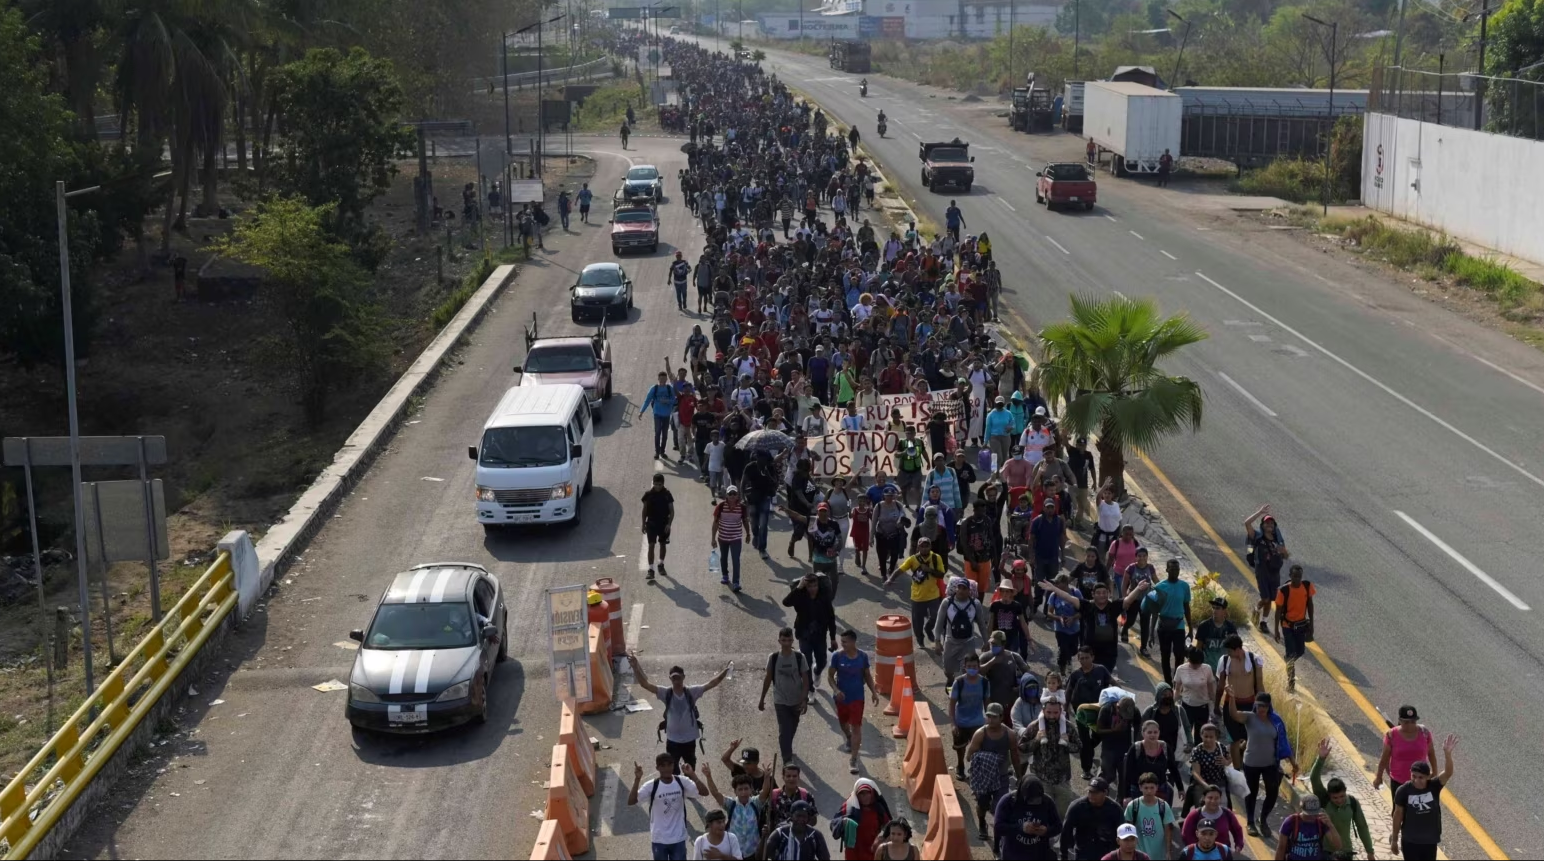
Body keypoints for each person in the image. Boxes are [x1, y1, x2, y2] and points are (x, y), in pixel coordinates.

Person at [627, 653, 730, 772]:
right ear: (670, 678)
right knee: (673, 773)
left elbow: (712, 683)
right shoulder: (665, 693)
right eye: (674, 678)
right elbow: (645, 684)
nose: (676, 680)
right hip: (672, 741)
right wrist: (635, 667)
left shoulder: (692, 692)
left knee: (690, 772)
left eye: (678, 677)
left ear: (683, 677)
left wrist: (725, 671)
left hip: (690, 740)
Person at [1223, 689, 1297, 838]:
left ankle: (1263, 820)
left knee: (1272, 791)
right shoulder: (1250, 718)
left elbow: (1283, 743)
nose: (1262, 709)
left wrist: (1293, 762)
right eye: (1259, 705)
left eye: (1265, 706)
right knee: (1252, 792)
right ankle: (1250, 822)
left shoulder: (1276, 721)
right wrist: (1231, 698)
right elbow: (1234, 714)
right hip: (1251, 763)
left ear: (1269, 706)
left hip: (1270, 763)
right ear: (1255, 705)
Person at [1039, 578, 1150, 675]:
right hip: (1090, 653)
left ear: (1108, 593)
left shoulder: (1114, 606)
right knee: (1090, 677)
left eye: (1104, 592)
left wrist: (1138, 588)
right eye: (1098, 593)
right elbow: (1068, 597)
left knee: (1103, 678)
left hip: (1109, 653)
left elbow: (1128, 600)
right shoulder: (1087, 606)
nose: (1101, 595)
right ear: (1093, 594)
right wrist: (1054, 589)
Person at [629, 752, 710, 861]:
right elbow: (631, 801)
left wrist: (692, 774)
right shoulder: (652, 785)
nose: (667, 768)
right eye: (663, 765)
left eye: (670, 764)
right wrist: (637, 779)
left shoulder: (682, 781)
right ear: (657, 768)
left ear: (674, 765)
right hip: (659, 839)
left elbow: (704, 792)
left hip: (679, 838)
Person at [1390, 734, 1458, 861]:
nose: (1416, 780)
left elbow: (1448, 773)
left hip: (1429, 841)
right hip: (1410, 841)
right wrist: (1394, 839)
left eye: (1420, 777)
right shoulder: (1403, 791)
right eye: (1413, 776)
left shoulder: (1434, 786)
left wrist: (1447, 754)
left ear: (1428, 777)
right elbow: (1397, 815)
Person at [1309, 739, 1376, 861]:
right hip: (1325, 851)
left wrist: (1369, 851)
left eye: (1342, 796)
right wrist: (1321, 759)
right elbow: (1314, 778)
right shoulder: (1323, 799)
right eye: (1335, 798)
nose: (1339, 800)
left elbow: (1362, 827)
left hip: (1345, 852)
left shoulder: (1353, 803)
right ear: (1329, 795)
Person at [966, 702, 1021, 839]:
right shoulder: (980, 734)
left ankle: (999, 836)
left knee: (1000, 806)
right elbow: (969, 757)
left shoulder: (1010, 735)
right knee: (982, 804)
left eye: (994, 717)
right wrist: (988, 758)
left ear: (1001, 717)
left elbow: (1015, 756)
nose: (990, 720)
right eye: (988, 717)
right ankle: (982, 823)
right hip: (983, 777)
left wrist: (1020, 776)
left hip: (1001, 776)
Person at [828, 629, 880, 775]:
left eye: (845, 642)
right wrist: (836, 690)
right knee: (843, 723)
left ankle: (853, 759)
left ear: (853, 642)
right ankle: (848, 737)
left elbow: (867, 675)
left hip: (857, 698)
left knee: (856, 726)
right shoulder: (837, 657)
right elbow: (830, 677)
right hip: (841, 699)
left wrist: (874, 693)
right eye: (841, 641)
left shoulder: (862, 657)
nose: (842, 644)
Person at [760, 626, 811, 763]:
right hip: (780, 701)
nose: (787, 643)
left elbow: (806, 681)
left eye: (789, 640)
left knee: (792, 727)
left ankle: (787, 747)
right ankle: (787, 760)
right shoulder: (774, 658)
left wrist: (804, 700)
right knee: (784, 731)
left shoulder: (800, 657)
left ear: (793, 641)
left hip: (796, 700)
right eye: (783, 640)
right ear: (779, 641)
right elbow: (768, 678)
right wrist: (762, 699)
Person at [1066, 646, 1115, 781]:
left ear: (1092, 657)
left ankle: (1087, 750)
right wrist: (1065, 708)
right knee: (1084, 740)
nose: (1084, 661)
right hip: (1081, 713)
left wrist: (1120, 697)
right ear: (1078, 659)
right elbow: (1068, 691)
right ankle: (1086, 769)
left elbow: (1113, 683)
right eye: (1081, 658)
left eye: (1087, 658)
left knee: (1098, 736)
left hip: (1099, 711)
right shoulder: (1076, 675)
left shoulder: (1101, 670)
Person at [1019, 697, 1079, 807]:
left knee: (1062, 813)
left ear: (1061, 711)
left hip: (1062, 779)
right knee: (1043, 813)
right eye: (1049, 712)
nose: (1052, 716)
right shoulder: (1035, 726)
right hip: (1041, 779)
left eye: (1055, 712)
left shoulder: (1068, 727)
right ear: (1043, 711)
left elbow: (1079, 747)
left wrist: (1067, 744)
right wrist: (1036, 740)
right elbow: (1022, 747)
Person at [1215, 635, 1264, 770]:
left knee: (1252, 736)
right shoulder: (1224, 661)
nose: (1228, 654)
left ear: (1237, 650)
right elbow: (1220, 686)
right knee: (1233, 739)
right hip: (1231, 704)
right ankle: (1237, 770)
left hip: (1250, 704)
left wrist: (1264, 705)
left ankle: (1243, 753)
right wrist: (1216, 705)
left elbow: (1260, 684)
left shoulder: (1255, 660)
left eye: (1230, 651)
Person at [1374, 704, 1438, 805]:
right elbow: (1384, 758)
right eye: (1406, 722)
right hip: (1399, 782)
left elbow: (1431, 753)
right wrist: (1379, 777)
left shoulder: (1424, 732)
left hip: (1420, 782)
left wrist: (1435, 773)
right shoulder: (1391, 735)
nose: (1410, 725)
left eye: (1413, 721)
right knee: (1399, 811)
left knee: (1419, 812)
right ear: (1400, 721)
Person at [701, 764, 768, 861]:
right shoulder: (730, 804)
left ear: (751, 790)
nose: (743, 792)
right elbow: (716, 793)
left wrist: (766, 777)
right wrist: (708, 776)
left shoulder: (756, 803)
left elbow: (765, 791)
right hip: (733, 853)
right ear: (735, 792)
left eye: (746, 789)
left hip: (753, 852)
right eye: (740, 789)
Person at [784, 573, 837, 689]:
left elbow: (831, 618)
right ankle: (810, 689)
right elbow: (786, 602)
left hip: (820, 635)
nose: (813, 589)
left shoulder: (824, 598)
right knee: (806, 663)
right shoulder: (800, 595)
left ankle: (817, 672)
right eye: (809, 586)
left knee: (822, 662)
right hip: (804, 635)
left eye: (815, 586)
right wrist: (798, 588)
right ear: (805, 586)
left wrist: (833, 637)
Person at [994, 774, 1062, 861]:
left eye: (1037, 800)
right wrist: (1020, 827)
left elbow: (1058, 826)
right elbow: (998, 828)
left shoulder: (1047, 802)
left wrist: (1046, 831)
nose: (1034, 803)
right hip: (1013, 855)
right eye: (1031, 800)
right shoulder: (1009, 801)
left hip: (1039, 855)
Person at [935, 577, 990, 685]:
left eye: (964, 588)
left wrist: (986, 641)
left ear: (969, 591)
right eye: (959, 587)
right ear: (955, 589)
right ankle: (950, 679)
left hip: (968, 643)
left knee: (969, 671)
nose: (961, 590)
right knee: (948, 670)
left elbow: (981, 624)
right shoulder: (947, 603)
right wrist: (937, 641)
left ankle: (962, 692)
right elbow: (939, 622)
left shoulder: (976, 604)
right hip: (951, 642)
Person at [1243, 505, 1287, 633]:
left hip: (1274, 573)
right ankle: (1256, 610)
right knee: (1266, 598)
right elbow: (1247, 523)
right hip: (1262, 572)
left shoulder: (1278, 542)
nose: (1269, 525)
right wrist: (1260, 512)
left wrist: (1283, 551)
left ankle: (1264, 622)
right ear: (1262, 526)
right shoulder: (1257, 537)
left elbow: (1285, 555)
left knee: (1271, 599)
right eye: (1267, 523)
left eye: (1272, 523)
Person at [1121, 720, 1184, 807]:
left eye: (1155, 732)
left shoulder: (1165, 747)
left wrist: (1180, 788)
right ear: (1143, 733)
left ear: (1159, 733)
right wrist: (1126, 796)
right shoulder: (1135, 748)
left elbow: (1173, 769)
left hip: (1160, 790)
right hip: (1138, 791)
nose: (1153, 735)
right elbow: (1127, 773)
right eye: (1149, 732)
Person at [1274, 564, 1315, 692]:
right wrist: (1276, 630)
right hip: (1288, 626)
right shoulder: (1283, 591)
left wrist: (1312, 624)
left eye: (1299, 576)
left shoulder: (1307, 587)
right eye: (1295, 576)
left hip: (1301, 625)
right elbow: (1278, 611)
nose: (1297, 579)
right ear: (1290, 576)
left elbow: (1310, 605)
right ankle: (1291, 683)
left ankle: (1288, 661)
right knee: (1291, 654)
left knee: (1301, 651)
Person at [1151, 559, 1193, 684]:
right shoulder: (1160, 587)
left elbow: (1186, 607)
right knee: (1165, 654)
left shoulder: (1184, 586)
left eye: (1177, 569)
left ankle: (1176, 679)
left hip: (1179, 625)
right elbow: (1155, 610)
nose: (1175, 571)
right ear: (1167, 570)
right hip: (1163, 626)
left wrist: (1190, 629)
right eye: (1173, 569)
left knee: (1179, 654)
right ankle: (1168, 682)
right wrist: (1151, 632)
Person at [830, 778, 891, 860]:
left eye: (867, 793)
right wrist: (842, 822)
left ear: (872, 793)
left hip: (872, 850)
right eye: (861, 794)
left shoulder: (878, 809)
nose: (865, 797)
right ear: (856, 795)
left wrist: (882, 840)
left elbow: (889, 827)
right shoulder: (849, 807)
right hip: (853, 852)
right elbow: (833, 823)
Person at [1064, 778, 1124, 860]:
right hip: (1083, 854)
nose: (1091, 795)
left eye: (1095, 792)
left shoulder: (1115, 809)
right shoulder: (1077, 807)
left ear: (1105, 792)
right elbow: (1066, 831)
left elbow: (1122, 834)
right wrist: (1064, 855)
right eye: (1089, 791)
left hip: (1107, 854)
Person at [1123, 773, 1176, 860]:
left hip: (1159, 855)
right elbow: (1128, 829)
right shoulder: (1133, 806)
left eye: (1152, 787)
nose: (1149, 791)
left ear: (1157, 787)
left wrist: (1168, 851)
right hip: (1138, 855)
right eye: (1146, 788)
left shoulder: (1163, 806)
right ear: (1140, 788)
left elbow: (1168, 830)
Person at [1180, 784, 1245, 854]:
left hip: (1222, 855)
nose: (1213, 801)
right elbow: (1186, 834)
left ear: (1220, 798)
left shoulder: (1227, 814)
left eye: (1217, 798)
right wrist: (1196, 850)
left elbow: (1237, 830)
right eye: (1210, 798)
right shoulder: (1194, 815)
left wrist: (1239, 845)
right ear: (1204, 798)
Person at [1274, 795, 1342, 861]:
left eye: (1315, 814)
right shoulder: (1291, 821)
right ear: (1301, 809)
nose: (1312, 817)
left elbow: (1338, 846)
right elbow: (1281, 847)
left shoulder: (1321, 822)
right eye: (1309, 814)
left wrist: (1330, 825)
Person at [1172, 648, 1216, 750]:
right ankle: (1184, 753)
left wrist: (1214, 707)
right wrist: (1172, 703)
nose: (1196, 666)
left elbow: (1211, 689)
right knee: (1185, 733)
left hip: (1203, 707)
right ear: (1188, 660)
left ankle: (1198, 754)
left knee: (1200, 735)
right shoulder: (1181, 669)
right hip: (1187, 706)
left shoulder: (1207, 669)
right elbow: (1177, 689)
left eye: (1198, 664)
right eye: (1194, 664)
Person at [764, 801, 830, 861]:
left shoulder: (815, 835)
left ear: (808, 818)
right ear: (791, 816)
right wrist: (763, 838)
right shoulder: (780, 833)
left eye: (804, 816)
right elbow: (761, 856)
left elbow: (825, 858)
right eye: (798, 816)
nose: (801, 819)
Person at [1191, 597, 1237, 674]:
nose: (1214, 611)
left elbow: (1234, 650)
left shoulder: (1230, 628)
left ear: (1224, 611)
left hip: (1224, 670)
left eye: (1218, 608)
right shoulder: (1204, 626)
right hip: (1207, 670)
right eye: (1213, 608)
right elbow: (1198, 648)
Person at [712, 487, 746, 590]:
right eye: (730, 494)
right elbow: (715, 523)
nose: (732, 496)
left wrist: (748, 534)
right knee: (724, 557)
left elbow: (745, 521)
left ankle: (736, 582)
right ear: (726, 495)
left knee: (736, 560)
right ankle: (725, 575)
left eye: (734, 494)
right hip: (723, 537)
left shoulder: (742, 507)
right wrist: (713, 538)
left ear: (737, 496)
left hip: (736, 537)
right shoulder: (720, 506)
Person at [642, 474, 675, 580]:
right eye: (655, 484)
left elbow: (672, 511)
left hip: (663, 524)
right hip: (651, 523)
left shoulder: (667, 494)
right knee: (651, 545)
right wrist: (643, 523)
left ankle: (661, 564)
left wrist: (669, 524)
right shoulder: (648, 494)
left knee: (662, 544)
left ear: (663, 484)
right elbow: (644, 510)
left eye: (659, 484)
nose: (657, 487)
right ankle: (651, 570)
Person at [643, 371, 679, 459]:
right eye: (661, 378)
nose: (662, 380)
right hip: (657, 414)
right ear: (658, 379)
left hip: (666, 414)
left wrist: (667, 401)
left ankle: (663, 451)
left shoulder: (669, 388)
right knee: (657, 432)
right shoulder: (654, 388)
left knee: (665, 434)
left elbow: (674, 400)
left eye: (664, 378)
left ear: (666, 379)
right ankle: (657, 452)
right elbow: (647, 400)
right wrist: (641, 411)